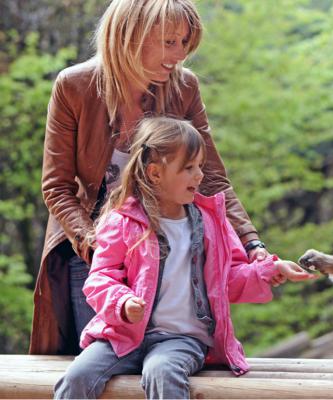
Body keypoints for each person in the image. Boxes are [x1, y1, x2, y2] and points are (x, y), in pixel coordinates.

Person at [32, 0, 276, 355]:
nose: (179, 55)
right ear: (130, 35)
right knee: (102, 363)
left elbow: (211, 179)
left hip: (169, 249)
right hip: (93, 254)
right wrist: (96, 244)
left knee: (165, 361)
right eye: (169, 42)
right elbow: (57, 187)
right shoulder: (74, 86)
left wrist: (252, 244)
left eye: (185, 44)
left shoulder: (184, 87)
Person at [53, 116, 315, 399]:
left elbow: (228, 279)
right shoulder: (123, 222)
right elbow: (100, 278)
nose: (199, 175)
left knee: (162, 372)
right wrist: (123, 301)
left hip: (182, 339)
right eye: (189, 168)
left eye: (200, 166)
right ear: (155, 173)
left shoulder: (211, 223)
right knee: (77, 376)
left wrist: (268, 270)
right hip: (123, 336)